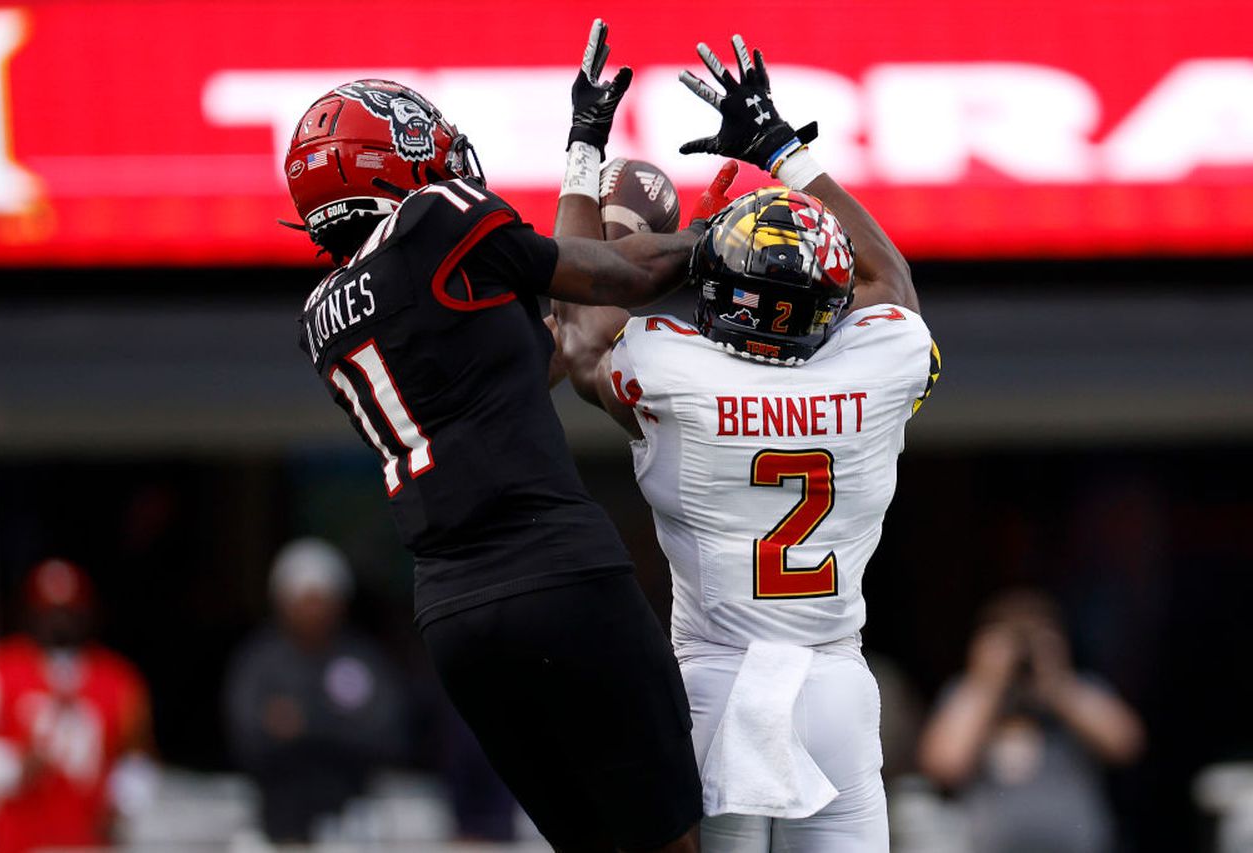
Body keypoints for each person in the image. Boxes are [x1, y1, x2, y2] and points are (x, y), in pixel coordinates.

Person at [279, 21, 706, 851]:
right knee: (674, 836)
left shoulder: (319, 317)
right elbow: (615, 277)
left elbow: (549, 348)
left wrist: (584, 146)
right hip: (557, 570)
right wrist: (733, 233)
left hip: (451, 614)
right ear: (379, 159)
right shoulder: (439, 215)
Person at [551, 35, 941, 852]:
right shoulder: (880, 362)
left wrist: (587, 151)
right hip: (835, 683)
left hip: (713, 686)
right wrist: (780, 150)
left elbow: (585, 328)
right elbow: (889, 279)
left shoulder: (671, 374)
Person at [917, 589, 1144, 853]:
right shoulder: (968, 695)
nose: (1022, 651)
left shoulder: (1080, 691)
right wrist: (988, 683)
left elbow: (1126, 744)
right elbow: (943, 765)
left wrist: (1057, 683)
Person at [223, 538, 405, 843]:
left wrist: (306, 725)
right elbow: (246, 735)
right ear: (281, 601)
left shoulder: (361, 659)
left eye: (321, 599)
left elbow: (388, 733)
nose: (313, 611)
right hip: (277, 820)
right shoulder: (259, 662)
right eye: (303, 600)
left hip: (353, 815)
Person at [0, 558, 156, 853]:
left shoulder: (118, 678)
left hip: (88, 841)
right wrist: (11, 766)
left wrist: (123, 803)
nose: (60, 621)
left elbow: (138, 756)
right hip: (16, 842)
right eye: (50, 611)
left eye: (70, 610)